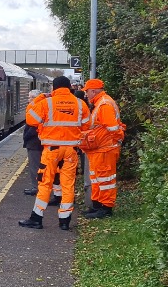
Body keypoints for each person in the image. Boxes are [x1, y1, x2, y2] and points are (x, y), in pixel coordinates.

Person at [18, 76, 90, 231]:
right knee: (67, 185)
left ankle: (36, 218)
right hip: (71, 151)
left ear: (54, 88)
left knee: (45, 183)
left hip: (51, 150)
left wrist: (38, 99)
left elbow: (30, 119)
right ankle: (64, 221)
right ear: (69, 87)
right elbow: (86, 125)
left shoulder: (46, 103)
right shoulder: (80, 104)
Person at [79, 78, 124, 218]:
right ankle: (98, 205)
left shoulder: (104, 105)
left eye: (87, 92)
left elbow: (114, 129)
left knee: (105, 180)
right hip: (100, 149)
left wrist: (116, 140)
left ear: (93, 91)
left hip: (105, 149)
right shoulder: (102, 103)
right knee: (98, 179)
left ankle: (106, 208)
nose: (86, 95)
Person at [22, 90, 44, 195]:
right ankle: (39, 187)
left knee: (35, 166)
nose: (28, 99)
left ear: (35, 98)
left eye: (30, 97)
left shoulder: (35, 109)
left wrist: (26, 137)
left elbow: (34, 127)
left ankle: (36, 187)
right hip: (40, 141)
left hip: (35, 142)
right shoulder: (43, 107)